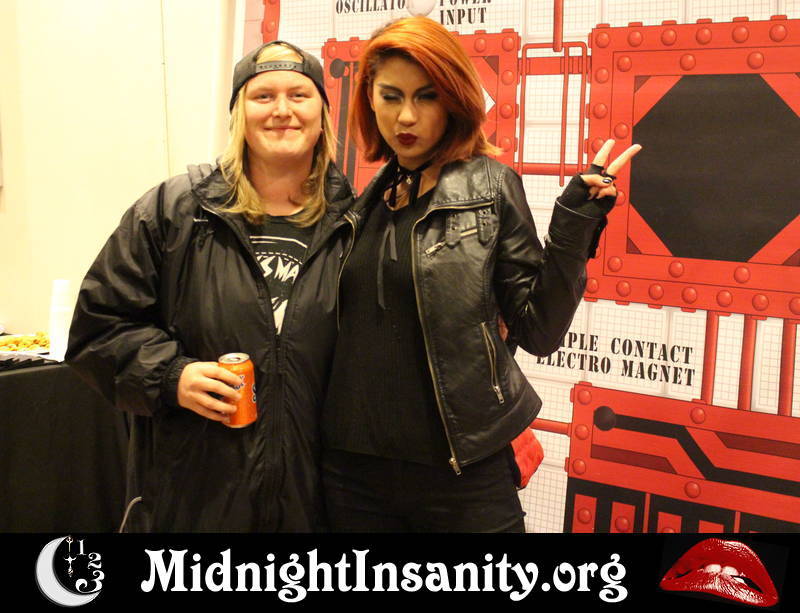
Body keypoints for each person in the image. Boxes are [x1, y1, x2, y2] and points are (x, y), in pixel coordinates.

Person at [321, 17, 640, 532]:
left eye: (426, 96)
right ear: (369, 101)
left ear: (453, 100)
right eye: (391, 96)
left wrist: (573, 226)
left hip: (461, 473)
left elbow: (538, 331)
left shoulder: (490, 188)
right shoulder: (359, 207)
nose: (406, 116)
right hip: (353, 476)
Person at [66, 41, 355, 532]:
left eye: (299, 95)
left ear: (323, 114)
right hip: (195, 497)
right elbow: (98, 329)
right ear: (238, 114)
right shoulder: (173, 211)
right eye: (262, 96)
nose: (282, 110)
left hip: (319, 502)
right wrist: (170, 376)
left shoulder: (356, 222)